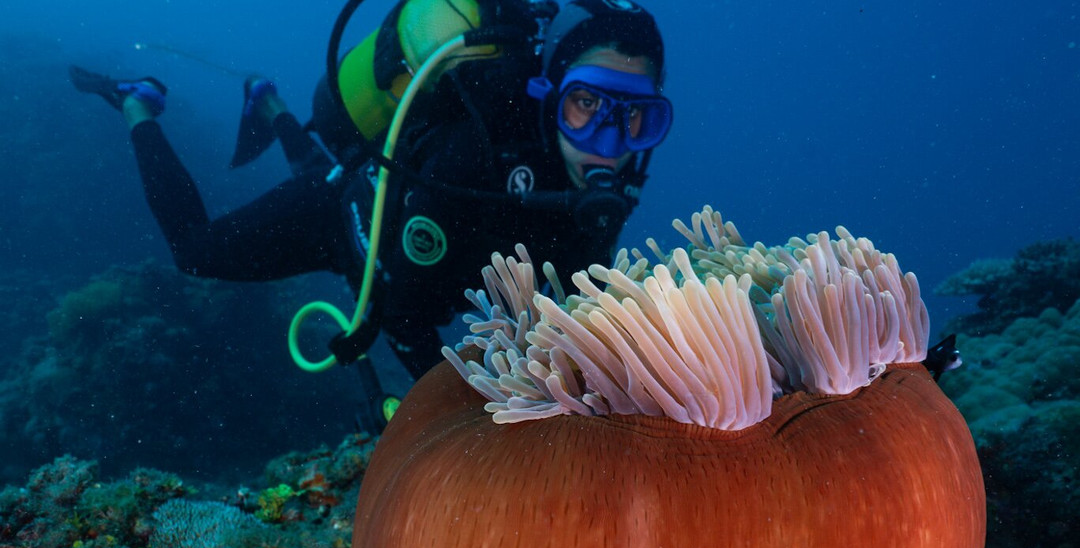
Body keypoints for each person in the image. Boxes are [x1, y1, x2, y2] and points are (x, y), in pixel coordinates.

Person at [70, 0, 672, 431]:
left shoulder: (600, 196)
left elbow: (568, 303)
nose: (605, 141)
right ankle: (136, 102)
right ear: (550, 96)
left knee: (315, 161)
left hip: (388, 208)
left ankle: (267, 99)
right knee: (197, 252)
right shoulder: (471, 156)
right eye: (584, 105)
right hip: (343, 223)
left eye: (634, 117)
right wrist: (462, 412)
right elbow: (404, 316)